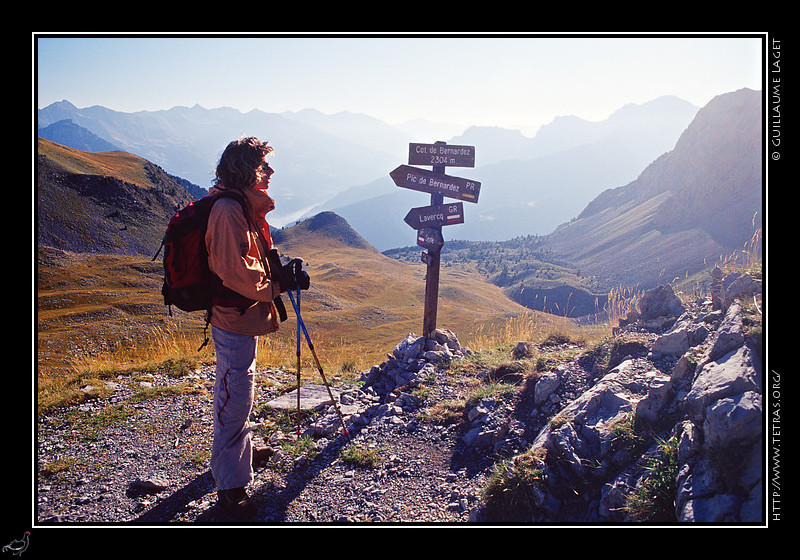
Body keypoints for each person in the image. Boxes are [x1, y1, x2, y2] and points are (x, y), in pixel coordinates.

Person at [204, 136, 283, 520]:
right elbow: (233, 270)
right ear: (245, 169)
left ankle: (240, 456)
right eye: (263, 165)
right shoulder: (227, 210)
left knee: (240, 388)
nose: (269, 172)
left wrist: (277, 274)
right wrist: (276, 286)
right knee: (234, 396)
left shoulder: (239, 206)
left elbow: (246, 260)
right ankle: (231, 488)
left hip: (242, 315)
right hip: (233, 317)